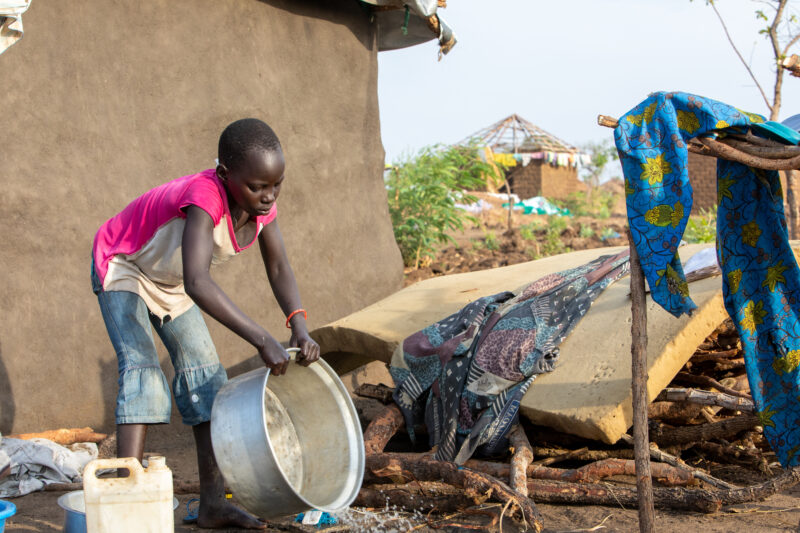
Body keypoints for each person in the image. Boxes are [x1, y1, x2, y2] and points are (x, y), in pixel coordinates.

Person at [91, 118, 320, 529]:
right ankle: (126, 503)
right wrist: (260, 338)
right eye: (257, 187)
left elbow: (279, 265)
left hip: (171, 280)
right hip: (124, 265)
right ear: (225, 175)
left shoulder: (261, 209)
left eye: (276, 185)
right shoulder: (204, 196)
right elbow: (198, 281)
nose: (268, 197)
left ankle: (213, 504)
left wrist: (297, 324)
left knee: (206, 380)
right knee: (142, 369)